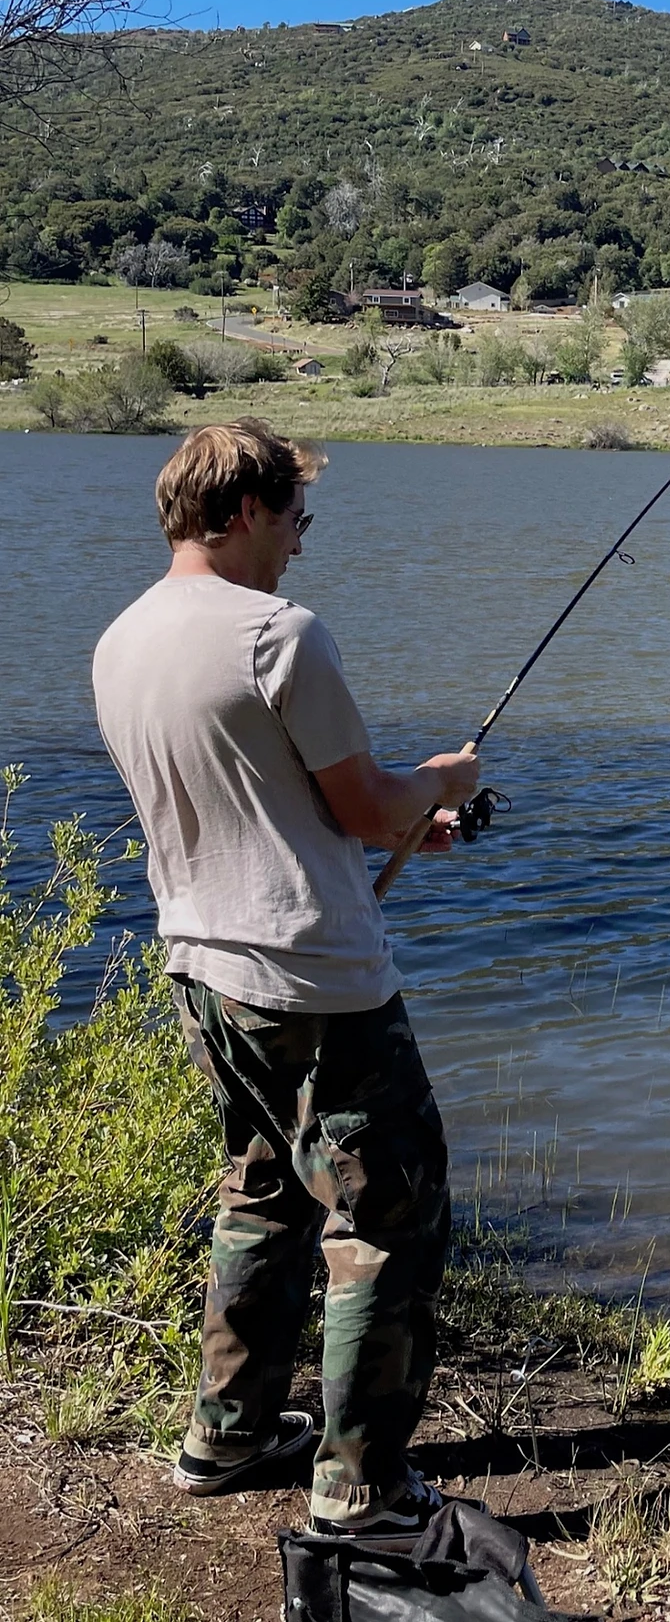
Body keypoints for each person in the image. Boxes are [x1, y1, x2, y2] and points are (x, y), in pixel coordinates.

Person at [91, 419, 479, 1547]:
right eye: (297, 518)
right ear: (249, 511)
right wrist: (439, 779)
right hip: (316, 981)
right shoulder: (277, 634)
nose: (303, 544)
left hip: (201, 971)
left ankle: (228, 1435)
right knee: (390, 1209)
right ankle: (359, 1486)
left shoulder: (121, 641)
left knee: (262, 1193)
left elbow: (263, 803)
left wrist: (414, 822)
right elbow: (363, 805)